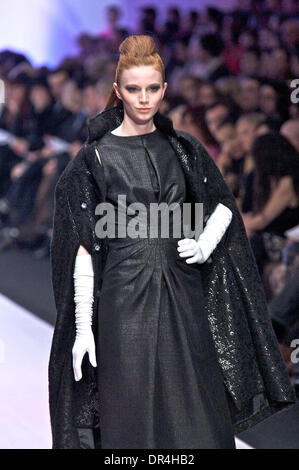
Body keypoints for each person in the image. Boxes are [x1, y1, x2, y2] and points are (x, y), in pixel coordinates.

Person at [48, 35, 296, 450]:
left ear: (163, 90)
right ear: (117, 91)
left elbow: (223, 205)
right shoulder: (95, 159)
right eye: (133, 89)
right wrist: (83, 325)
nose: (143, 99)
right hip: (121, 296)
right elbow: (82, 244)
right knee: (130, 407)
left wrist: (203, 245)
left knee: (194, 403)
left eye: (151, 89)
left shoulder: (184, 149)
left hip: (184, 291)